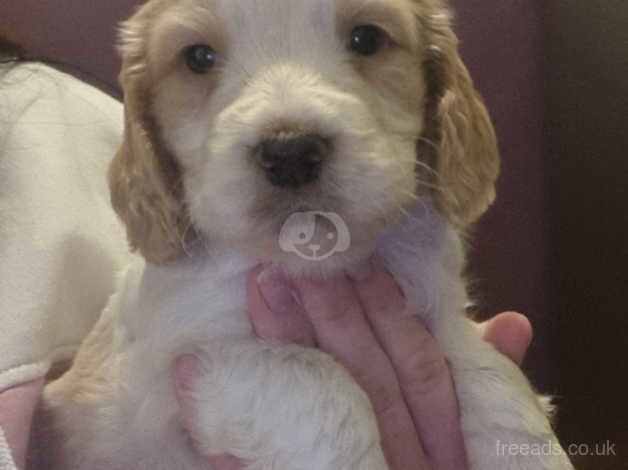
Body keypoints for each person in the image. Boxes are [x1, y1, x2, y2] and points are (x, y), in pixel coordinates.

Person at [0, 37, 533, 470]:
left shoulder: (56, 109)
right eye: (201, 59)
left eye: (365, 39)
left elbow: (432, 360)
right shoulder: (184, 229)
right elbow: (204, 376)